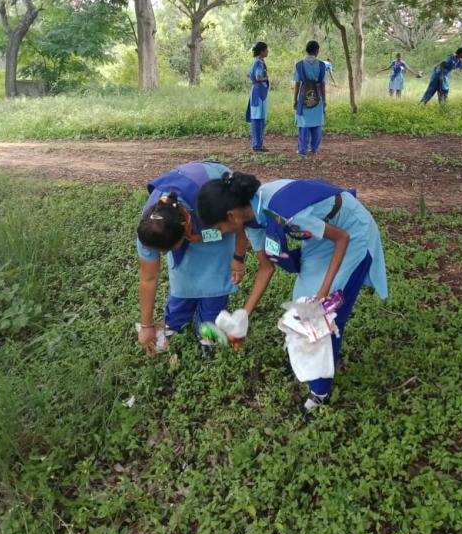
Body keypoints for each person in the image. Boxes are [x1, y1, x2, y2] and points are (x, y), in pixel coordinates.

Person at [196, 172, 388, 415]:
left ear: (231, 215)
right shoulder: (252, 218)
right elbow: (266, 268)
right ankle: (309, 363)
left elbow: (342, 238)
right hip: (320, 235)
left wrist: (323, 292)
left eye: (219, 228)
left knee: (322, 316)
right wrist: (244, 314)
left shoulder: (284, 213)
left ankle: (319, 392)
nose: (221, 233)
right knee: (301, 304)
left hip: (349, 231)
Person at [136, 161, 248, 357]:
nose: (163, 255)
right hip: (186, 222)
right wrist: (146, 326)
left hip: (215, 208)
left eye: (168, 250)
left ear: (185, 230)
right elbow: (148, 278)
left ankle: (208, 333)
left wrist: (238, 258)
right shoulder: (150, 230)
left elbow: (240, 224)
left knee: (215, 282)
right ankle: (173, 325)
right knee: (182, 280)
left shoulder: (215, 202)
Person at [294, 40, 327, 156]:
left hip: (304, 96)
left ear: (307, 51)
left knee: (304, 123)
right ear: (317, 51)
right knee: (316, 122)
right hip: (317, 96)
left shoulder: (299, 65)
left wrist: (295, 100)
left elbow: (297, 84)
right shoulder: (322, 65)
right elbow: (323, 84)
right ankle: (314, 149)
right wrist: (324, 99)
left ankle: (302, 150)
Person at [246, 41, 269, 153]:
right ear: (262, 51)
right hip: (258, 93)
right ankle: (256, 146)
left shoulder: (257, 62)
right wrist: (266, 78)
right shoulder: (259, 63)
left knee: (260, 118)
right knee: (257, 119)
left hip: (259, 93)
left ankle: (259, 144)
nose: (268, 51)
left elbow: (249, 74)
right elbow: (258, 77)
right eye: (266, 49)